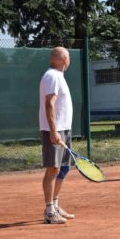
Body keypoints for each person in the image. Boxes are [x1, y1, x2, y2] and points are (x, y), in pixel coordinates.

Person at [39, 46, 75, 224]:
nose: (69, 61)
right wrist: (53, 131)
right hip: (54, 129)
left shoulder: (58, 76)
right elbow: (49, 104)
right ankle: (49, 211)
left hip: (64, 128)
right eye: (68, 57)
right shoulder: (52, 76)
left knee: (63, 169)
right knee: (53, 169)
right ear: (62, 59)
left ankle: (55, 204)